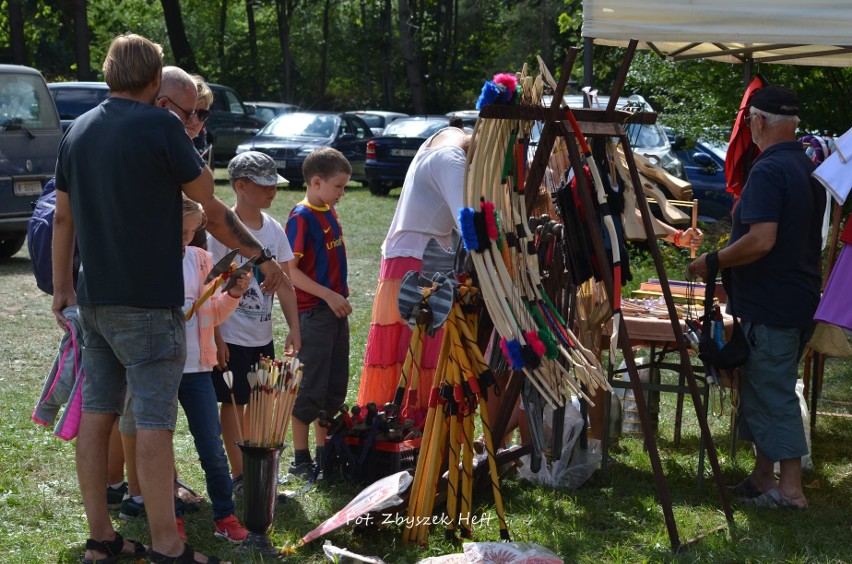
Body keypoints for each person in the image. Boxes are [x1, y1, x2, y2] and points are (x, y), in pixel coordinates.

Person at [52, 34, 285, 563]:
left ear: (110, 73)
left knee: (97, 415)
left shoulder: (78, 130)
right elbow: (212, 209)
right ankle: (167, 544)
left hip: (94, 301)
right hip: (149, 306)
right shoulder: (161, 126)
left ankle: (101, 540)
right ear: (154, 82)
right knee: (155, 423)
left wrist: (63, 288)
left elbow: (63, 216)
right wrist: (262, 257)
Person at [688, 85, 824, 510]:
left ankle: (790, 492)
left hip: (775, 305)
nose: (747, 127)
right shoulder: (805, 167)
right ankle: (764, 478)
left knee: (773, 390)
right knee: (761, 388)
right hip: (792, 299)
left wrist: (714, 260)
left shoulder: (768, 171)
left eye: (748, 120)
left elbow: (762, 240)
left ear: (760, 121)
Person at [356, 126, 470, 420]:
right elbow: (468, 221)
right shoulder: (453, 159)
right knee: (417, 347)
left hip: (409, 254)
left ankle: (405, 426)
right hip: (417, 260)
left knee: (410, 349)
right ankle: (411, 428)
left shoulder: (447, 139)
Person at [209, 151, 301, 492]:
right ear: (241, 186)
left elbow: (287, 283)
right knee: (235, 404)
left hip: (261, 335)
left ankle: (257, 470)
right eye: (264, 185)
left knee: (260, 403)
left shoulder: (274, 230)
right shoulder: (221, 230)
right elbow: (210, 289)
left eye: (274, 185)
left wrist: (294, 328)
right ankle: (239, 476)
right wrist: (216, 339)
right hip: (230, 334)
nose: (272, 192)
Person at [177, 196, 250, 542]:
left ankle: (224, 515)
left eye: (193, 231)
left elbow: (212, 313)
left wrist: (233, 294)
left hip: (197, 369)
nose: (187, 237)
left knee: (212, 446)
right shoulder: (148, 262)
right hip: (160, 368)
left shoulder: (202, 259)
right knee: (158, 448)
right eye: (180, 230)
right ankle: (169, 516)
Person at [284, 147, 353, 477]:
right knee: (310, 388)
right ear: (316, 182)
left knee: (333, 387)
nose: (342, 193)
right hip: (314, 314)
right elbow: (290, 271)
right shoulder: (301, 217)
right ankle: (300, 460)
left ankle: (325, 456)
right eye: (338, 186)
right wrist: (327, 295)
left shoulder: (328, 210)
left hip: (335, 314)